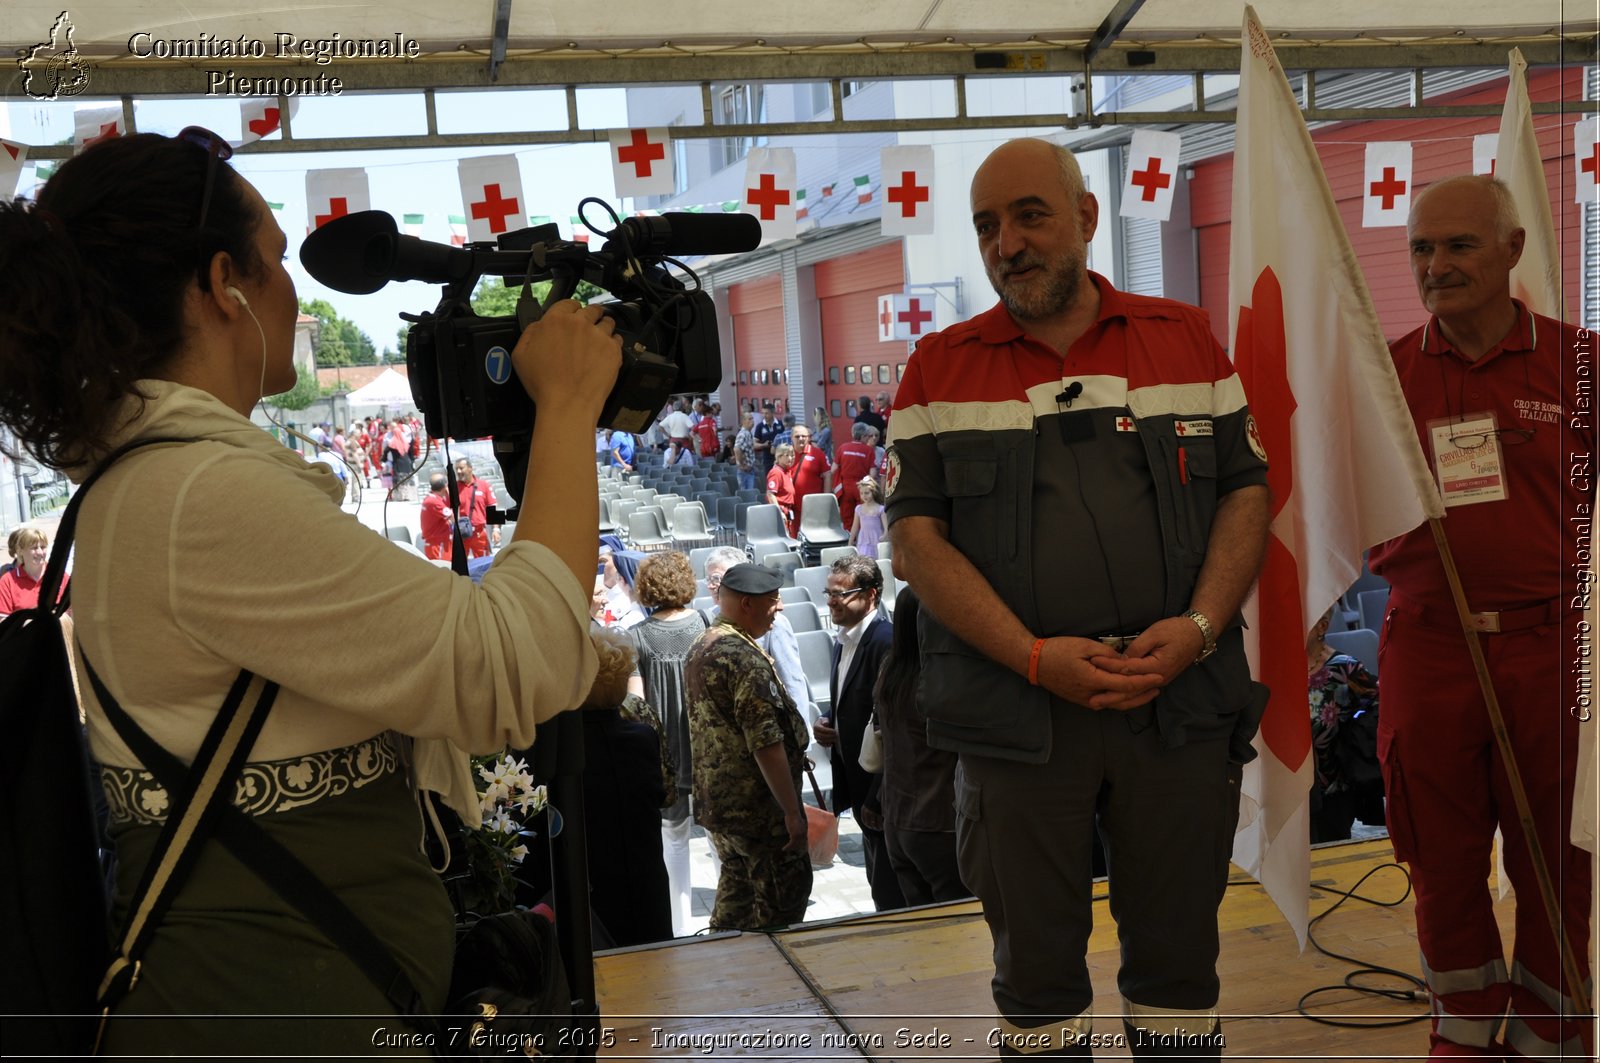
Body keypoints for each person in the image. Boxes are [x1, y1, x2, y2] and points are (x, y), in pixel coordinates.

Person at [0, 129, 623, 1054]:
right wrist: (570, 405)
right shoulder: (197, 494)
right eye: (279, 263)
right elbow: (510, 662)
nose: (294, 294)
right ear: (222, 285)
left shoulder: (156, 478)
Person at [886, 137, 1270, 1057]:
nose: (1006, 243)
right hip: (1018, 721)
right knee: (1036, 980)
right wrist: (1030, 656)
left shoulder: (1185, 340)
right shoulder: (938, 368)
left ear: (1087, 219)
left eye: (1029, 215)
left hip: (1176, 705)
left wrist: (1201, 628)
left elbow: (1245, 492)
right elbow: (914, 542)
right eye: (987, 226)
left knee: (1181, 967)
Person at [1368, 174, 1593, 1060]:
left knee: (1559, 862)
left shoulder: (1583, 364)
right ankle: (1461, 1028)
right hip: (1428, 649)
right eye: (1422, 249)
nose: (1437, 266)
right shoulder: (1382, 376)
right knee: (1440, 859)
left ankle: (1552, 1024)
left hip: (1555, 650)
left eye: (1459, 245)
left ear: (1513, 250)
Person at [684, 563, 811, 931]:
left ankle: (730, 978)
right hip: (758, 814)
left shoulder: (704, 643)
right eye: (772, 600)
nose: (780, 608)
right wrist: (792, 812)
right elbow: (765, 742)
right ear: (745, 605)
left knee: (735, 908)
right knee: (781, 906)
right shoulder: (741, 657)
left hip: (723, 810)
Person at [812, 555, 904, 912]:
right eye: (828, 593)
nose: (832, 600)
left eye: (842, 593)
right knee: (877, 881)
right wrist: (826, 718)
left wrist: (879, 795)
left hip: (878, 789)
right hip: (856, 781)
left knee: (889, 891)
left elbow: (893, 726)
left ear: (871, 595)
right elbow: (849, 698)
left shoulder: (885, 642)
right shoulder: (842, 640)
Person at [626, 550, 711, 937]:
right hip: (708, 745)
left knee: (674, 841)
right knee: (717, 836)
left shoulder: (636, 637)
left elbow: (637, 707)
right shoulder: (706, 623)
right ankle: (729, 922)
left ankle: (679, 928)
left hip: (666, 753)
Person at [571, 629, 674, 947]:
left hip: (589, 889)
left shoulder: (560, 747)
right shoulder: (642, 736)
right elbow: (666, 794)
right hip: (645, 879)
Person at [872, 588, 967, 906]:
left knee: (923, 921)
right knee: (955, 926)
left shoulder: (890, 670)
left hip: (897, 820)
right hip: (937, 822)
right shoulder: (936, 680)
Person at [704, 546, 814, 729]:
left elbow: (792, 681)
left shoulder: (774, 621)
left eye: (717, 578)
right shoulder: (708, 618)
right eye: (709, 578)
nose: (711, 585)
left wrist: (802, 736)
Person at [1304, 610, 1382, 845]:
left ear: (1322, 627)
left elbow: (1384, 704)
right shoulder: (1275, 667)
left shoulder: (1343, 669)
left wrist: (1353, 738)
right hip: (1286, 789)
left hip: (1332, 789)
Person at [0, 523, 65, 616]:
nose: (39, 552)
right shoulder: (7, 582)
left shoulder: (59, 576)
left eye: (43, 547)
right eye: (34, 548)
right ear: (20, 551)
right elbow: (3, 621)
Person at [834, 421, 878, 531]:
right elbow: (873, 473)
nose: (869, 438)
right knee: (863, 515)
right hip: (861, 487)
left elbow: (833, 469)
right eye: (867, 436)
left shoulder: (842, 448)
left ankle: (850, 539)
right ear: (863, 436)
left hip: (845, 487)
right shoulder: (869, 450)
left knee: (847, 516)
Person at [454, 458, 500, 559]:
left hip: (480, 534)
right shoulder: (454, 488)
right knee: (460, 567)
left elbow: (493, 508)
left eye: (461, 468)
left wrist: (496, 529)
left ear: (470, 468)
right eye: (456, 469)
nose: (458, 471)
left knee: (483, 566)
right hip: (462, 535)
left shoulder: (484, 485)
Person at [789, 424, 832, 508]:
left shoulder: (818, 453)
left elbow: (828, 475)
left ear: (808, 438)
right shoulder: (786, 453)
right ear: (791, 437)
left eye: (804, 436)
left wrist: (826, 498)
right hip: (791, 504)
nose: (801, 439)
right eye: (797, 436)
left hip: (813, 504)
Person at [419, 472, 454, 561]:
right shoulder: (434, 502)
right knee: (443, 568)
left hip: (439, 541)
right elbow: (453, 517)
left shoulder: (432, 498)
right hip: (438, 543)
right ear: (444, 487)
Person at [850, 478, 885, 559]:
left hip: (877, 539)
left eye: (867, 493)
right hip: (863, 540)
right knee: (863, 562)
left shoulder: (881, 509)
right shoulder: (858, 509)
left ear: (873, 492)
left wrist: (884, 536)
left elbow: (886, 528)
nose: (864, 496)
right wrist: (850, 542)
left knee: (876, 562)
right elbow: (854, 527)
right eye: (861, 493)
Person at [752, 403, 781, 479]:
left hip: (781, 459)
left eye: (767, 413)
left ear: (773, 412)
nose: (764, 415)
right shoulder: (760, 426)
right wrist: (763, 445)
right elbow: (754, 444)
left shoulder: (781, 424)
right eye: (763, 413)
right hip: (767, 460)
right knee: (770, 480)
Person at [733, 411, 757, 492]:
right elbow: (737, 449)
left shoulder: (748, 433)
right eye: (749, 419)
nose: (752, 421)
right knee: (748, 495)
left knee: (751, 494)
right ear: (743, 421)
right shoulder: (743, 434)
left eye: (752, 418)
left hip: (750, 470)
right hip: (745, 471)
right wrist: (742, 465)